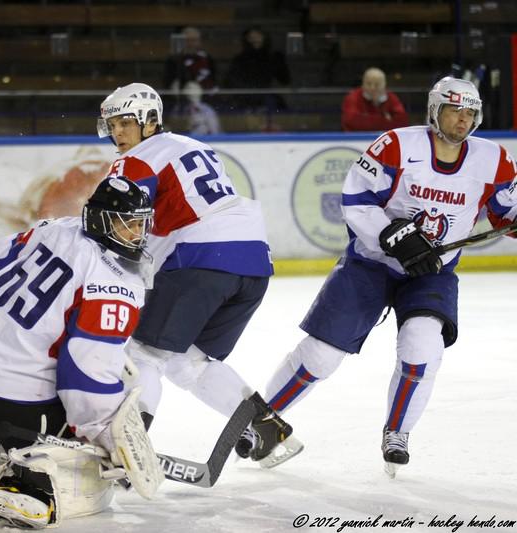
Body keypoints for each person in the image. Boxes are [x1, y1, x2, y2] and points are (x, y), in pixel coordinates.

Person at [263, 76, 517, 477]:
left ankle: (397, 431)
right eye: (454, 111)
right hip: (371, 264)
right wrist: (393, 235)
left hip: (432, 272)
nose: (462, 120)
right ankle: (262, 420)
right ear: (434, 111)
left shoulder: (493, 160)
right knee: (321, 355)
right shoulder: (397, 145)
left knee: (422, 345)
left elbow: (507, 213)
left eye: (470, 113)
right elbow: (356, 200)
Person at [0, 177, 163, 528]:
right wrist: (107, 436)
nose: (137, 234)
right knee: (78, 439)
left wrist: (11, 324)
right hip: (13, 392)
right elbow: (85, 377)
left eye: (140, 224)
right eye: (126, 224)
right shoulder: (114, 284)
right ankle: (25, 483)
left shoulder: (56, 227)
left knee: (37, 380)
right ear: (100, 221)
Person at [97, 82, 303, 468]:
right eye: (112, 125)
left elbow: (120, 223)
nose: (118, 133)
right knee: (186, 361)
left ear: (150, 121)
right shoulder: (193, 146)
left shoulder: (135, 160)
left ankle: (126, 453)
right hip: (253, 262)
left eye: (125, 122)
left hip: (201, 259)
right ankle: (266, 430)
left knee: (144, 355)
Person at [223, 26, 291, 113]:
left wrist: (279, 62)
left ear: (264, 37)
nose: (255, 40)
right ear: (247, 40)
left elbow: (285, 80)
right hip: (245, 98)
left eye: (258, 36)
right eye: (251, 37)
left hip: (265, 97)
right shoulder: (240, 59)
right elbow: (229, 81)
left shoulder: (273, 57)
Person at [163, 27, 217, 108]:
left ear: (199, 42)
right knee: (192, 88)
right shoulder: (174, 59)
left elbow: (213, 78)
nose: (191, 44)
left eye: (194, 40)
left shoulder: (207, 58)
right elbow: (170, 81)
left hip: (207, 95)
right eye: (188, 40)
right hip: (183, 96)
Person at [341, 67, 409, 132]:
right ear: (363, 84)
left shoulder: (392, 97)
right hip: (357, 138)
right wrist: (385, 120)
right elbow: (351, 121)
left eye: (377, 84)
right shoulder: (353, 97)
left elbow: (403, 122)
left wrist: (365, 119)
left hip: (386, 139)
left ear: (384, 85)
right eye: (368, 84)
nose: (372, 88)